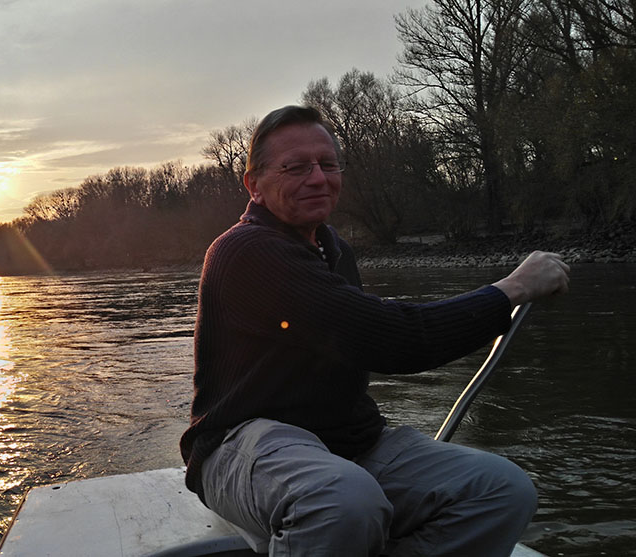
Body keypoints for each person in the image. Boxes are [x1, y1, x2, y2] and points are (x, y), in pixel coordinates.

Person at [178, 105, 570, 556]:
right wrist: (512, 289)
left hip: (349, 442)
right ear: (254, 185)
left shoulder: (334, 249)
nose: (318, 178)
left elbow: (366, 338)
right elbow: (397, 340)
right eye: (295, 167)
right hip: (238, 443)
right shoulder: (244, 251)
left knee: (503, 491)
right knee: (341, 501)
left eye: (328, 164)